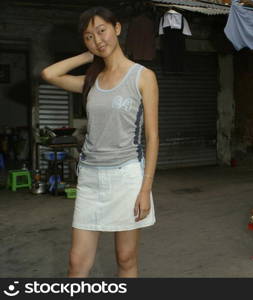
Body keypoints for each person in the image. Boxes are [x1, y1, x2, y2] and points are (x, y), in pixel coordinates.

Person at [40, 6, 159, 277]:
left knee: (126, 258)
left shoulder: (142, 76)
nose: (98, 39)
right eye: (89, 36)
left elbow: (152, 137)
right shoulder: (91, 81)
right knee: (77, 263)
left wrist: (145, 189)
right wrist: (87, 54)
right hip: (91, 178)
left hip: (126, 176)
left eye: (101, 31)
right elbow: (49, 74)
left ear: (117, 28)